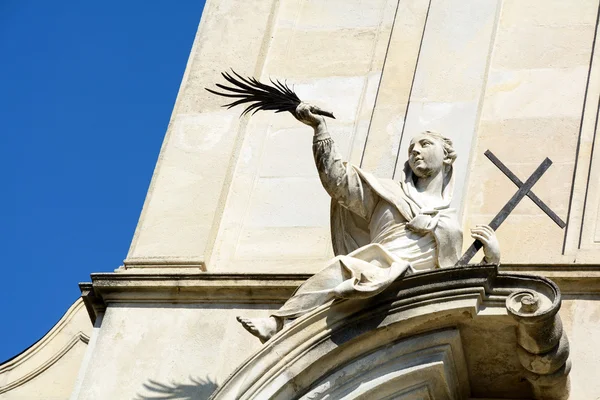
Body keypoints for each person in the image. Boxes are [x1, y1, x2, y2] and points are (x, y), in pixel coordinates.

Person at [237, 103, 500, 343]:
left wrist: (491, 260)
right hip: (376, 266)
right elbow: (337, 180)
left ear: (447, 156)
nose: (415, 151)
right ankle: (278, 322)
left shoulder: (449, 221)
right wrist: (320, 129)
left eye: (425, 144)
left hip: (415, 289)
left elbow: (452, 277)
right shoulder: (385, 193)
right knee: (341, 268)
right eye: (411, 149)